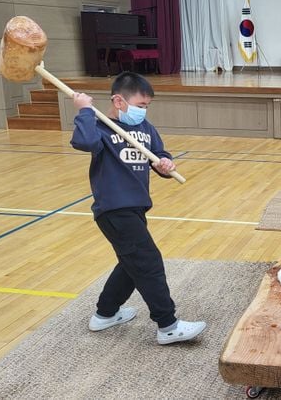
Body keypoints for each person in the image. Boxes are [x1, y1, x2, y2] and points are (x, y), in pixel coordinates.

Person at [70, 71, 206, 345]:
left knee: (131, 263)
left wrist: (166, 165)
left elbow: (160, 155)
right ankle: (168, 325)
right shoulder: (99, 125)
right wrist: (85, 110)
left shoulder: (145, 130)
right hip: (113, 209)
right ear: (119, 101)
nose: (143, 111)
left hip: (136, 208)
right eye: (140, 106)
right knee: (148, 262)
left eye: (147, 107)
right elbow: (84, 143)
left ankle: (105, 314)